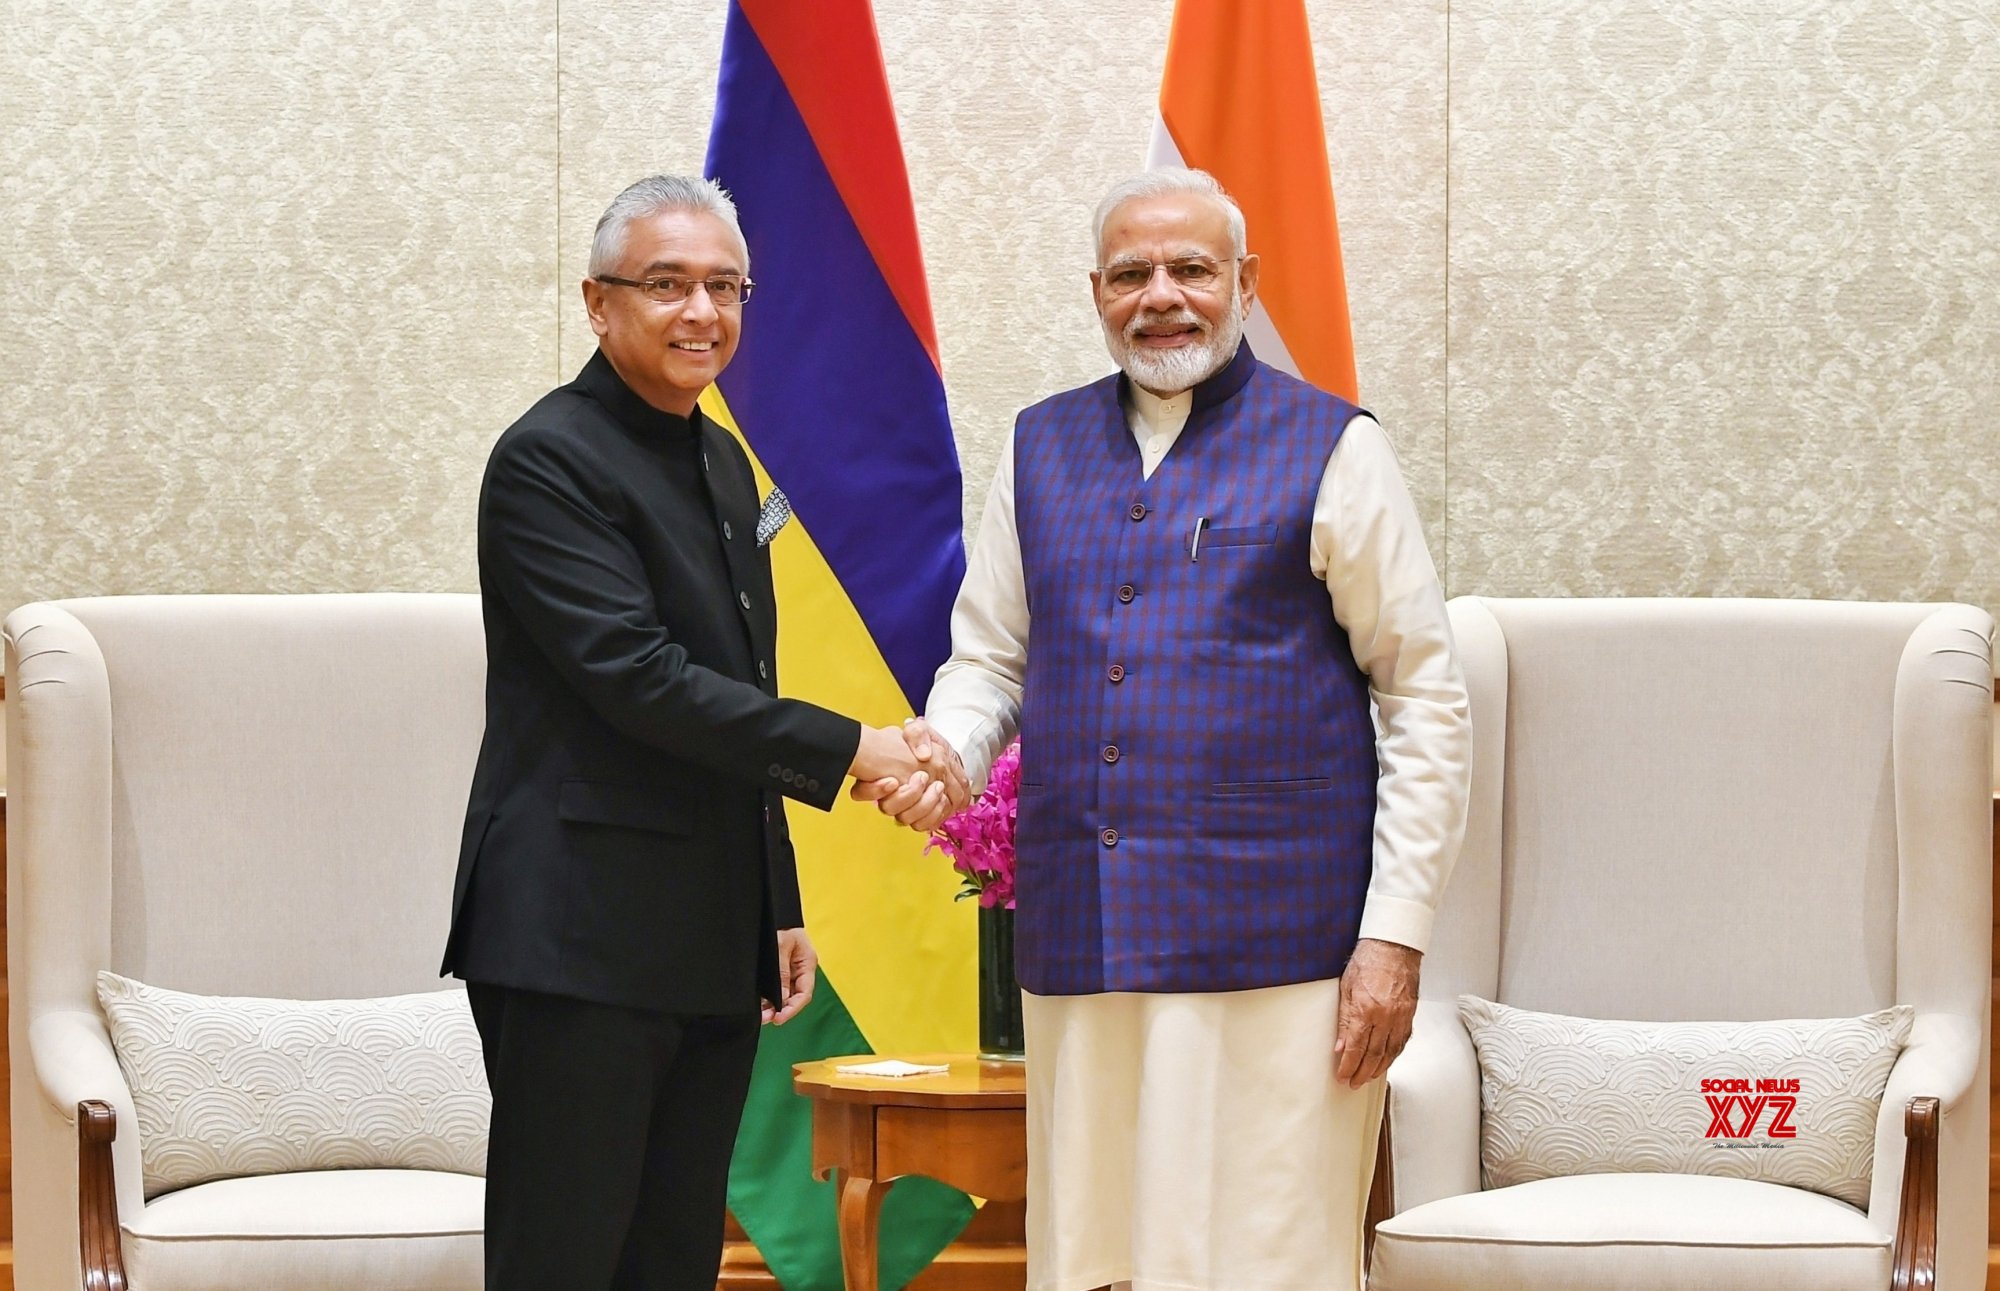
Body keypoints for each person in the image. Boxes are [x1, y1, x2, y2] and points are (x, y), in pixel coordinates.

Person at [863, 168, 1472, 1291]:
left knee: (1263, 1255)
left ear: (1245, 285)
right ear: (1095, 291)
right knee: (1095, 1254)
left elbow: (1422, 694)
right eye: (1131, 273)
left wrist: (1393, 934)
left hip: (1281, 954)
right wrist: (948, 754)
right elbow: (991, 657)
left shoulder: (1334, 447)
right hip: (1084, 939)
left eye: (1190, 269)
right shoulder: (1038, 446)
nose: (1162, 296)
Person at [441, 174, 932, 1291]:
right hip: (575, 934)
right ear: (597, 301)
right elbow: (640, 679)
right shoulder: (548, 460)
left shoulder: (715, 458)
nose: (699, 311)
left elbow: (734, 685)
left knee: (671, 1261)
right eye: (665, 284)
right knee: (565, 1258)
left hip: (705, 935)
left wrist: (779, 901)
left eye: (723, 286)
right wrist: (855, 744)